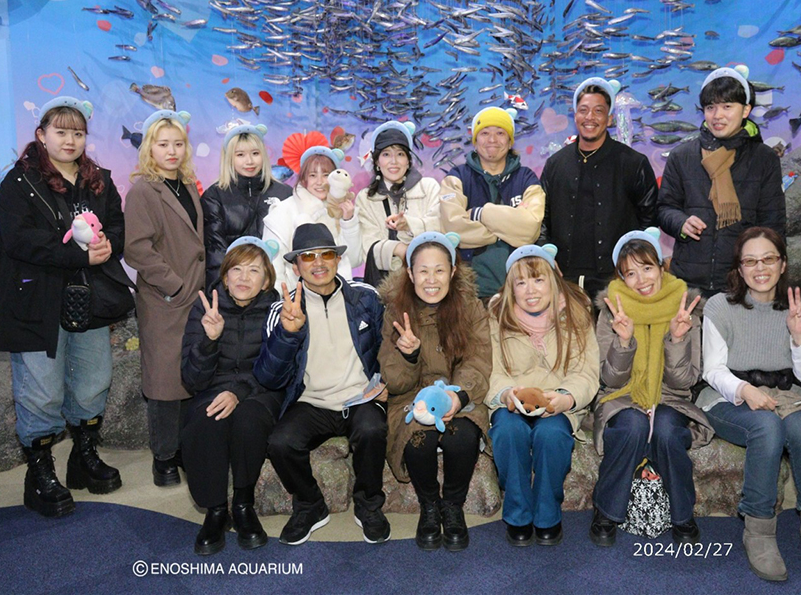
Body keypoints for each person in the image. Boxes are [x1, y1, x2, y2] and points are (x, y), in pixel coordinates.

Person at [0, 96, 132, 518]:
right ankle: (39, 473)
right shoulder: (18, 183)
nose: (70, 140)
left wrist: (110, 243)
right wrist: (78, 255)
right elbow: (19, 240)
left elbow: (116, 228)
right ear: (41, 135)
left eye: (78, 132)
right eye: (61, 131)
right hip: (36, 301)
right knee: (40, 389)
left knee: (93, 380)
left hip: (91, 298)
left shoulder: (100, 181)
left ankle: (84, 456)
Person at [698, 227, 801, 581]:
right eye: (750, 261)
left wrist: (798, 335)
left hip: (784, 393)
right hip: (727, 395)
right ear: (739, 267)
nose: (759, 268)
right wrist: (745, 391)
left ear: (782, 264)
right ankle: (759, 529)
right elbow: (713, 369)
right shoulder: (721, 306)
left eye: (768, 259)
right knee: (766, 428)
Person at [254, 223, 389, 546]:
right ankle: (310, 504)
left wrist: (388, 382)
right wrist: (288, 333)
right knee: (281, 443)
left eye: (326, 254)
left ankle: (369, 504)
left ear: (337, 259)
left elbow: (389, 348)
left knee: (372, 430)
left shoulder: (365, 297)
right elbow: (268, 377)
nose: (318, 263)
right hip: (311, 402)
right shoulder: (282, 309)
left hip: (360, 397)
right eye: (307, 257)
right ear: (294, 265)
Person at [589, 229, 714, 548]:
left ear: (661, 267)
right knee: (631, 426)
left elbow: (686, 381)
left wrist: (677, 339)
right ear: (621, 277)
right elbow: (610, 380)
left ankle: (683, 513)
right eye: (630, 272)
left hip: (671, 399)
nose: (641, 279)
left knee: (667, 430)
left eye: (647, 268)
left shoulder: (684, 310)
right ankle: (606, 510)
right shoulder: (611, 311)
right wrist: (624, 341)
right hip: (622, 398)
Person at [379, 232, 492, 552]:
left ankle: (452, 507)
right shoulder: (395, 312)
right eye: (423, 271)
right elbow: (394, 382)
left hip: (461, 394)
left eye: (439, 270)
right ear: (410, 274)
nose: (432, 279)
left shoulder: (470, 308)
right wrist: (409, 355)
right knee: (419, 440)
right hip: (412, 398)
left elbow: (478, 360)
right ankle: (430, 506)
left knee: (463, 438)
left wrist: (460, 396)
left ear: (453, 271)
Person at [485, 244, 599, 547]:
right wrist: (509, 394)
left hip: (558, 403)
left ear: (553, 280)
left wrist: (565, 398)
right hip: (512, 400)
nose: (530, 290)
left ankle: (548, 514)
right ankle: (518, 514)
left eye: (538, 280)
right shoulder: (497, 316)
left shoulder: (576, 315)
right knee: (508, 432)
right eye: (520, 282)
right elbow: (491, 370)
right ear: (511, 288)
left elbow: (586, 372)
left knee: (552, 436)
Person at [180, 237, 283, 555]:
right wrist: (210, 341)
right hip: (212, 388)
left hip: (261, 390)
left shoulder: (277, 308)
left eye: (254, 270)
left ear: (266, 280)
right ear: (224, 276)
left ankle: (242, 504)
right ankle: (215, 511)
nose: (243, 277)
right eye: (236, 269)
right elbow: (191, 379)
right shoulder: (205, 307)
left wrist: (237, 392)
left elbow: (278, 371)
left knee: (247, 419)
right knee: (208, 418)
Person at [125, 109, 204, 488]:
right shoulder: (143, 189)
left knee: (190, 375)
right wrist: (172, 284)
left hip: (194, 296)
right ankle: (164, 457)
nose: (171, 151)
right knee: (163, 383)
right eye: (162, 144)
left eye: (177, 144)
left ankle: (187, 449)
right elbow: (137, 249)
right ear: (149, 147)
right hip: (164, 298)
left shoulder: (187, 185)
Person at [658, 66, 786, 296]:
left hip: (742, 284)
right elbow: (665, 208)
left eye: (727, 106)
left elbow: (773, 224)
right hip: (688, 284)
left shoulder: (764, 159)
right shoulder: (682, 156)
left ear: (746, 110)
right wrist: (681, 223)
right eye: (710, 107)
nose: (718, 115)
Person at [540, 77, 658, 299]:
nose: (590, 118)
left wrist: (632, 265)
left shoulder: (633, 163)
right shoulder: (556, 164)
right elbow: (541, 217)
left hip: (616, 279)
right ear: (575, 116)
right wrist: (547, 253)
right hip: (564, 277)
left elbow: (649, 218)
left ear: (610, 117)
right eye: (583, 110)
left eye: (598, 111)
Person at [439, 107, 544, 300]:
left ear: (510, 140)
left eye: (500, 133)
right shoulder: (457, 177)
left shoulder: (526, 178)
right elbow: (453, 228)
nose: (492, 140)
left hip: (520, 293)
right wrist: (507, 230)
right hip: (469, 294)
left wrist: (480, 214)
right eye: (485, 133)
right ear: (475, 140)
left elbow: (530, 229)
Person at [263, 135, 361, 289]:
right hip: (297, 301)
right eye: (313, 175)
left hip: (340, 298)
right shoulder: (282, 212)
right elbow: (274, 269)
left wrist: (348, 222)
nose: (320, 182)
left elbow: (353, 260)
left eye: (326, 175)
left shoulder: (342, 210)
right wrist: (284, 302)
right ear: (303, 179)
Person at [200, 124, 292, 288]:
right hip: (235, 290)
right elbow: (215, 252)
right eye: (240, 155)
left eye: (255, 153)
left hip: (278, 287)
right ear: (229, 157)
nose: (249, 161)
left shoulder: (284, 193)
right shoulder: (214, 196)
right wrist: (223, 293)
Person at [356, 120, 441, 284]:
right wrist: (399, 249)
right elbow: (368, 245)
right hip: (385, 284)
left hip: (429, 280)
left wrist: (409, 225)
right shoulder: (365, 197)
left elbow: (440, 227)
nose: (393, 161)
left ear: (408, 161)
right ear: (377, 162)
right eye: (386, 154)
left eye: (400, 154)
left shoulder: (429, 187)